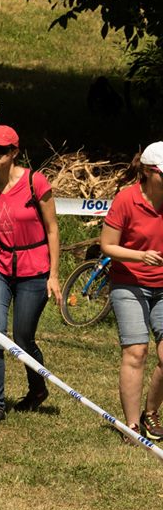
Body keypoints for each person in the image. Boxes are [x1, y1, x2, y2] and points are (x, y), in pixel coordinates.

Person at [0, 125, 62, 426]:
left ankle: (37, 388)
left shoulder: (35, 182)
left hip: (34, 268)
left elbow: (53, 229)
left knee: (22, 338)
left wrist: (54, 275)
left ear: (14, 152)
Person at [99, 141, 163, 442]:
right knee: (136, 351)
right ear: (149, 173)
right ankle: (132, 424)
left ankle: (151, 412)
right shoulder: (126, 200)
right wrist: (141, 256)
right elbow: (107, 245)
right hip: (129, 282)